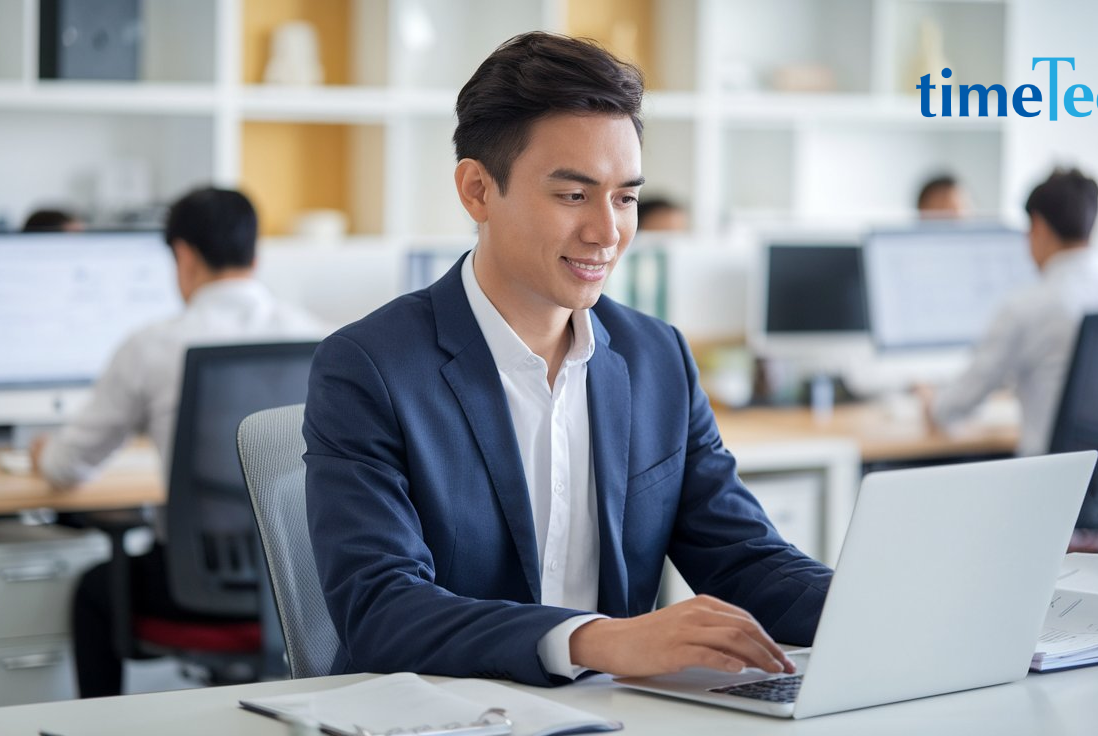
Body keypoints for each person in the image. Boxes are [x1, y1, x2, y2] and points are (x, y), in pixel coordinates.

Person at [303, 32, 832, 689]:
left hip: (617, 715)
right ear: (476, 191)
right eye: (573, 195)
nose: (608, 232)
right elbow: (380, 609)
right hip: (442, 716)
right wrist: (596, 640)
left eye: (626, 197)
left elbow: (746, 562)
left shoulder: (656, 358)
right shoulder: (369, 367)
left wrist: (883, 607)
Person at [31, 187, 325, 697]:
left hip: (194, 591)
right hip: (305, 589)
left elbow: (69, 465)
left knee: (94, 590)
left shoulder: (153, 345)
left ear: (182, 255)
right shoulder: (323, 339)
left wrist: (40, 453)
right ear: (255, 254)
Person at [920, 167, 1098, 458]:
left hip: (1055, 493)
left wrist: (932, 402)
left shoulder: (1026, 308)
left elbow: (956, 406)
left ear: (1039, 227)